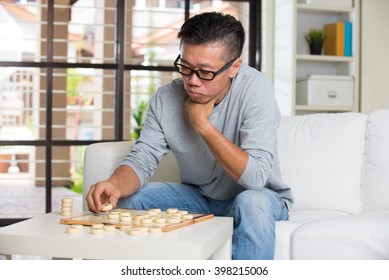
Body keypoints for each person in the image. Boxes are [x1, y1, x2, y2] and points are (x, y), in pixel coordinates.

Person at [86, 11, 293, 260]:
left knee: (251, 202)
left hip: (259, 198)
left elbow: (256, 178)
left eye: (205, 72)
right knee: (128, 201)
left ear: (234, 67)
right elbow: (142, 159)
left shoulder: (255, 90)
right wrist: (115, 184)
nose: (192, 81)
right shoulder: (166, 98)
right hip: (200, 197)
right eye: (185, 67)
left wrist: (202, 125)